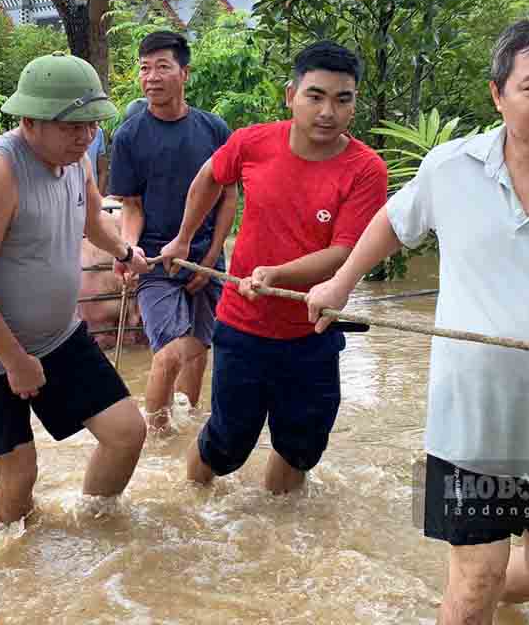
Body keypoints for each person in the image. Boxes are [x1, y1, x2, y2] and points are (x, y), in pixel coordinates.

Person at [304, 11, 529, 625]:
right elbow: (396, 224)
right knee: (476, 578)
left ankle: (468, 596)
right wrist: (342, 283)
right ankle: (468, 597)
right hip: (468, 423)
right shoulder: (452, 167)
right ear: (498, 94)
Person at [160, 40, 388, 494]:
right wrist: (184, 236)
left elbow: (346, 252)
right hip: (242, 329)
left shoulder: (366, 169)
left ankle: (279, 532)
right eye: (315, 96)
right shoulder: (252, 142)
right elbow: (209, 177)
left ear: (354, 104)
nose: (328, 111)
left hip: (313, 332)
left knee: (300, 446)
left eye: (343, 99)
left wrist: (276, 274)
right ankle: (190, 507)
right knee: (227, 444)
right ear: (291, 95)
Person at [0, 52, 151, 525]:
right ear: (30, 121)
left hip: (58, 337)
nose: (85, 136)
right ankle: (17, 567)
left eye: (92, 124)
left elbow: (92, 218)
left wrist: (122, 252)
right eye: (71, 126)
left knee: (126, 432)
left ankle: (94, 530)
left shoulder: (77, 159)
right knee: (22, 475)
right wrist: (15, 362)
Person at [108, 31, 239, 430]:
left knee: (198, 353)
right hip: (155, 261)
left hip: (206, 258)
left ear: (185, 73)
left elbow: (228, 196)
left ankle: (190, 428)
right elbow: (132, 206)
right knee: (169, 353)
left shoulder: (214, 129)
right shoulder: (129, 136)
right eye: (144, 68)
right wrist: (127, 252)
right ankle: (156, 438)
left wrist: (212, 256)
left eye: (162, 67)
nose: (151, 77)